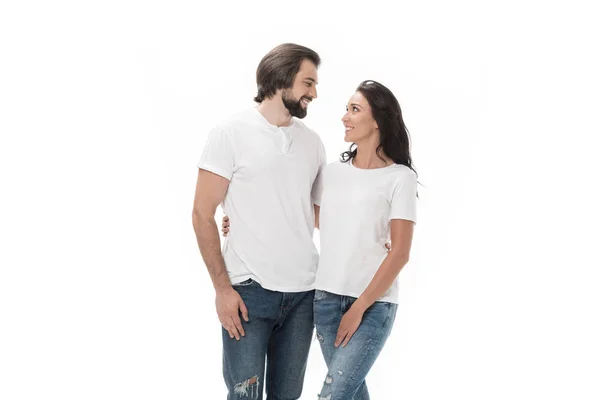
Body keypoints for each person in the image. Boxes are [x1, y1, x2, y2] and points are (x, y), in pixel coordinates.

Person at [222, 80, 418, 400]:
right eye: (346, 109)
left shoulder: (400, 178)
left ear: (379, 120)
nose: (344, 117)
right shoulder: (332, 172)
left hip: (372, 305)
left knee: (333, 394)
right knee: (351, 392)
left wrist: (359, 309)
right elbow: (299, 218)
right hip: (325, 301)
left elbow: (400, 254)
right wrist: (240, 220)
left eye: (354, 110)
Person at [191, 43, 326, 399]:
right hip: (248, 292)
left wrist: (374, 236)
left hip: (303, 295)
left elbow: (317, 215)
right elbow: (202, 213)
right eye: (308, 82)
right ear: (282, 78)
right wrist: (222, 289)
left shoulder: (312, 144)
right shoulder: (230, 133)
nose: (314, 93)